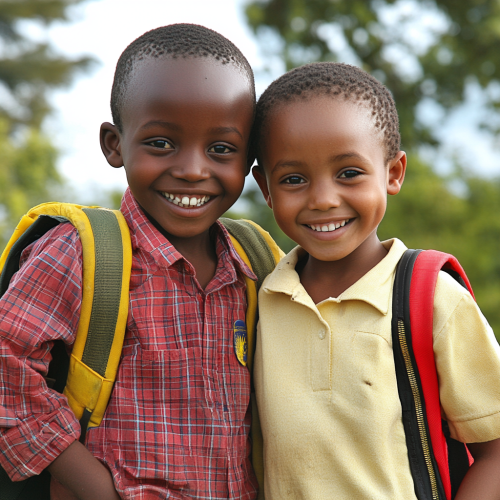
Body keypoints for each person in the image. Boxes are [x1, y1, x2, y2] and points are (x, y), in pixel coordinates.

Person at [0, 24, 261, 500]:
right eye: (162, 143)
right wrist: (95, 486)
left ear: (248, 160)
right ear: (114, 144)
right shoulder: (80, 252)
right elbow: (5, 365)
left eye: (221, 149)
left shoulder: (253, 266)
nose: (193, 169)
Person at [251, 62, 500, 499]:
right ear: (265, 188)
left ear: (394, 172)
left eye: (349, 173)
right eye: (293, 179)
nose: (324, 199)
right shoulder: (260, 298)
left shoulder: (433, 299)